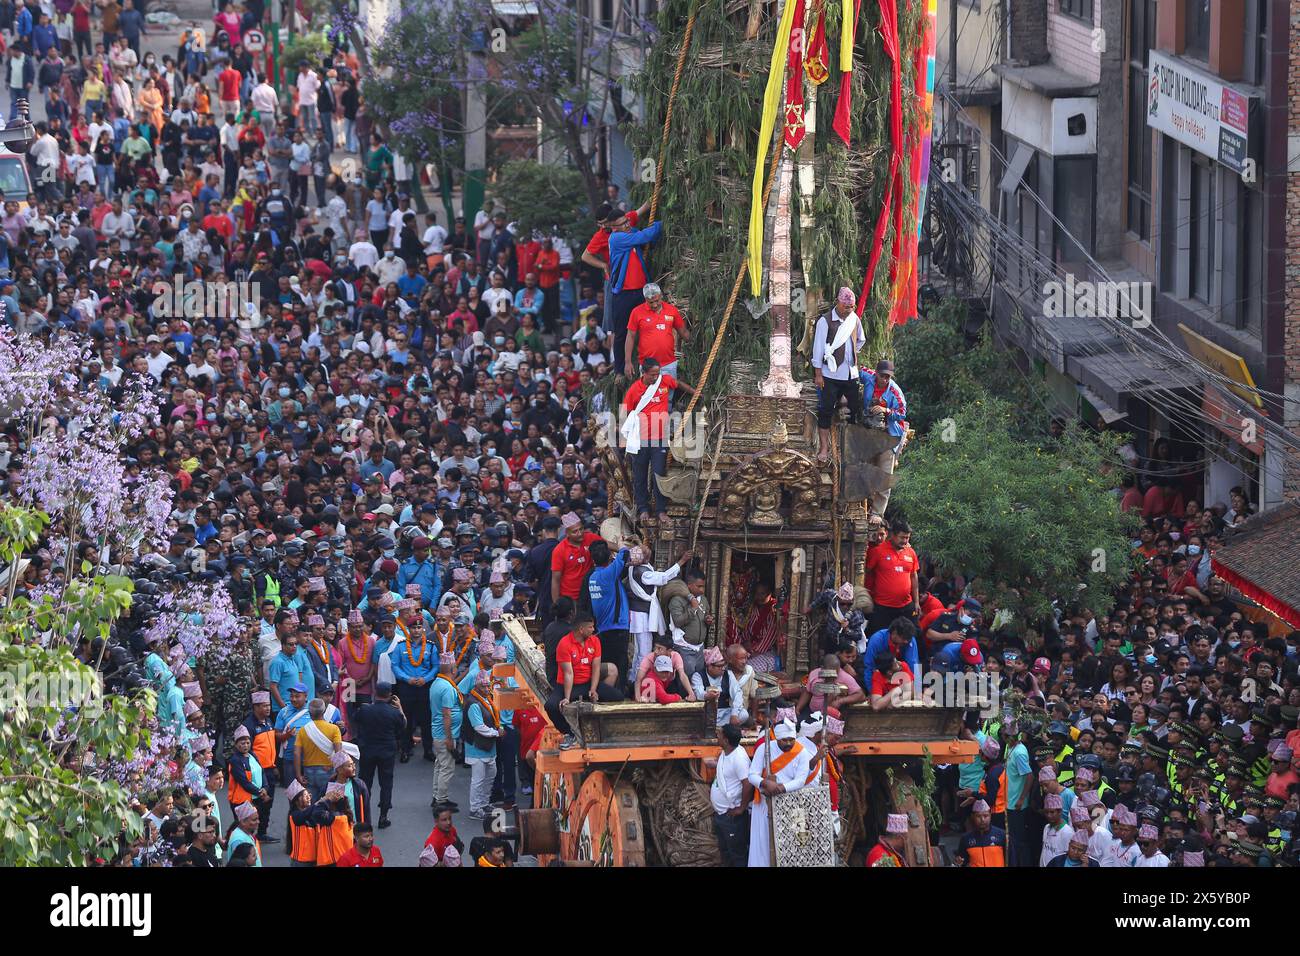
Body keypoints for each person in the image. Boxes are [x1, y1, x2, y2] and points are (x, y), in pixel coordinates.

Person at [747, 718, 811, 867]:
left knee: (789, 844)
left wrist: (779, 788)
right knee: (763, 843)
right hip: (764, 804)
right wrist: (765, 783)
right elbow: (752, 775)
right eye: (784, 740)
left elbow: (801, 780)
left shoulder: (801, 752)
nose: (788, 743)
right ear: (777, 738)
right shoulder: (764, 748)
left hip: (790, 804)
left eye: (791, 740)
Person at [811, 287, 865, 462]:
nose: (849, 309)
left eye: (852, 306)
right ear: (838, 302)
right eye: (846, 306)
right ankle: (824, 448)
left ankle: (850, 448)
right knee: (826, 410)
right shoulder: (825, 321)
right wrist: (818, 374)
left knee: (855, 411)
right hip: (830, 375)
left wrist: (852, 354)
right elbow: (818, 348)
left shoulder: (854, 319)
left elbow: (861, 340)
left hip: (850, 373)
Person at [350, 681, 406, 829]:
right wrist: (399, 707)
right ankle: (383, 816)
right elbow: (403, 725)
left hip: (367, 750)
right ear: (389, 695)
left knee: (364, 783)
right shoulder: (393, 712)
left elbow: (355, 719)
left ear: (375, 693)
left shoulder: (365, 710)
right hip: (387, 751)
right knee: (386, 784)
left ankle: (363, 816)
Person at [857, 357, 908, 516]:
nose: (885, 379)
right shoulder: (867, 375)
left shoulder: (895, 392)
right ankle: (859, 506)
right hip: (870, 432)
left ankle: (877, 514)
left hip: (889, 435)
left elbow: (902, 413)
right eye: (882, 375)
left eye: (888, 377)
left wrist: (885, 411)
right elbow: (856, 369)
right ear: (876, 374)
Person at [709, 722, 752, 867]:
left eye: (720, 734)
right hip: (722, 815)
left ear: (726, 740)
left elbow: (748, 783)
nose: (717, 735)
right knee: (726, 852)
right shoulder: (726, 752)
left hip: (732, 817)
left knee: (737, 854)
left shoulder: (739, 758)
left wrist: (741, 808)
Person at [955, 798, 1007, 867]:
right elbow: (961, 862)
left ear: (990, 815)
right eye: (978, 816)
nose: (982, 819)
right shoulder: (966, 839)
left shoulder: (1002, 835)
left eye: (985, 816)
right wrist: (958, 862)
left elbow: (1010, 859)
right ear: (972, 817)